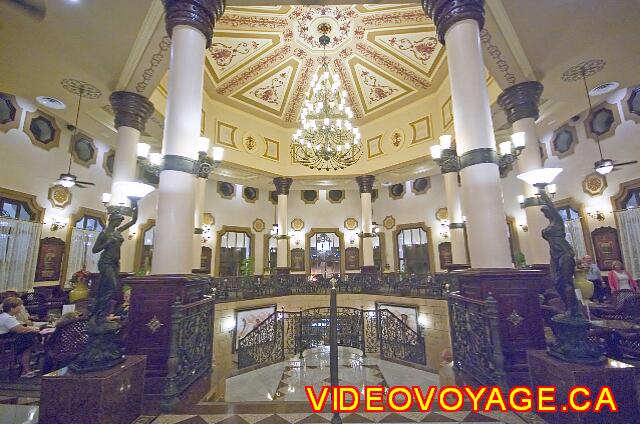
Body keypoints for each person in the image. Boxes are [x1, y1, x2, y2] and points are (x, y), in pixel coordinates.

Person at [0, 297, 41, 378]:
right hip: (5, 343)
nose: (21, 308)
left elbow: (19, 326)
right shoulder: (7, 318)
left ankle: (25, 367)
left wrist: (31, 329)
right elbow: (20, 329)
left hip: (7, 339)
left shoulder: (6, 316)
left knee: (28, 339)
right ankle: (26, 370)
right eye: (19, 306)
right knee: (27, 343)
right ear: (12, 308)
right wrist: (34, 329)